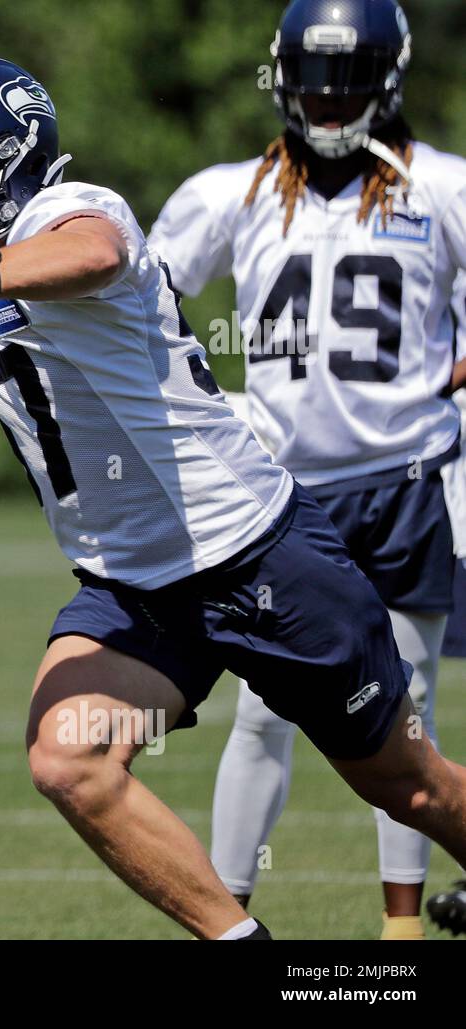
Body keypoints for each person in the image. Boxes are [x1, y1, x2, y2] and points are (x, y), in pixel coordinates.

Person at [0, 51, 466, 939]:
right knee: (69, 761)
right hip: (136, 583)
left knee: (409, 784)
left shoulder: (72, 214)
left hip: (256, 552)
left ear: (15, 162)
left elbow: (93, 252)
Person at [149, 0, 466, 939]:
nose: (330, 102)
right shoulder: (234, 193)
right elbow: (144, 298)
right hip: (280, 498)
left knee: (404, 716)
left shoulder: (439, 187)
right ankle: (228, 916)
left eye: (349, 79)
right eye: (315, 80)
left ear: (389, 75)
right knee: (260, 714)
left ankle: (400, 927)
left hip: (406, 480)